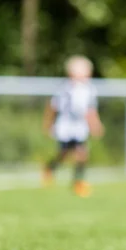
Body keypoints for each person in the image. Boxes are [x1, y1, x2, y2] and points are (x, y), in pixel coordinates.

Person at [42, 55, 104, 197]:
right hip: (65, 126)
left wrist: (95, 125)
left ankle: (78, 182)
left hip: (79, 127)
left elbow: (90, 111)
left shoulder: (89, 90)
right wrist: (48, 124)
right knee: (63, 153)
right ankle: (50, 168)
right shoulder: (63, 88)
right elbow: (52, 108)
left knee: (82, 153)